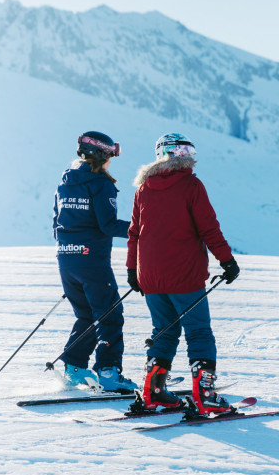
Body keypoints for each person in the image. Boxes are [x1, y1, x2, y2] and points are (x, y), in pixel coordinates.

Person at [126, 132, 240, 413]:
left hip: (150, 276)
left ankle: (153, 392)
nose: (190, 158)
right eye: (186, 153)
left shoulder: (143, 189)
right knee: (199, 332)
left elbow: (134, 235)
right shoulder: (191, 185)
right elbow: (208, 228)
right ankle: (204, 396)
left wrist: (132, 271)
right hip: (184, 275)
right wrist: (227, 261)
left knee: (163, 331)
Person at [53, 130, 137, 392]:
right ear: (102, 155)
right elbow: (108, 224)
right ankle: (109, 373)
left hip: (66, 259)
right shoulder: (101, 184)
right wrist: (143, 227)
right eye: (111, 155)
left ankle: (75, 368)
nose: (112, 161)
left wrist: (72, 251)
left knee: (86, 315)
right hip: (92, 261)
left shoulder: (65, 183)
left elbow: (56, 222)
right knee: (110, 315)